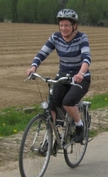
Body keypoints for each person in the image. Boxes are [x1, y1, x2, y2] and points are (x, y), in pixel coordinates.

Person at [25, 9, 91, 143]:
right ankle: (51, 137)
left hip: (80, 78)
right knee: (52, 105)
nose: (63, 28)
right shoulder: (55, 37)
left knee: (67, 102)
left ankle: (79, 126)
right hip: (62, 76)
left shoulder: (81, 38)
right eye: (61, 25)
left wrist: (81, 73)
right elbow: (42, 54)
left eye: (66, 25)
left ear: (74, 26)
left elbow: (86, 59)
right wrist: (33, 67)